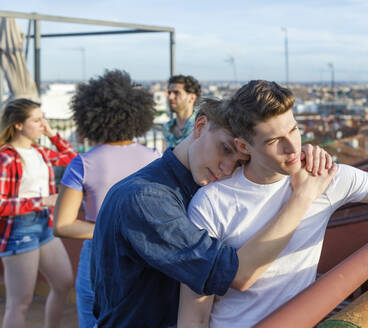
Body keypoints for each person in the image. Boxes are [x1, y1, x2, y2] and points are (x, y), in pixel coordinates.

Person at [179, 80, 368, 328]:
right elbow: (195, 310)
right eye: (274, 141)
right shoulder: (212, 203)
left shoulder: (325, 177)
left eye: (293, 130)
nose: (292, 148)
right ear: (244, 147)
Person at [91, 95, 337, 327]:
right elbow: (232, 274)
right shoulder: (147, 198)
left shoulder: (196, 189)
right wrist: (303, 196)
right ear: (200, 126)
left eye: (240, 162)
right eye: (226, 149)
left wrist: (299, 158)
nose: (228, 169)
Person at [52, 70, 161, 328]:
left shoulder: (83, 163)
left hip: (98, 256)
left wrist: (108, 230)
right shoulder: (156, 158)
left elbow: (63, 225)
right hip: (146, 255)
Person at [0, 98, 77, 328]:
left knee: (63, 283)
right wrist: (41, 201)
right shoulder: (6, 157)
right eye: (37, 120)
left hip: (45, 224)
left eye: (43, 119)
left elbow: (73, 159)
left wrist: (53, 135)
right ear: (18, 125)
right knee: (20, 302)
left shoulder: (39, 151)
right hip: (19, 229)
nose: (43, 125)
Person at [163, 74, 201, 148]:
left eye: (176, 93)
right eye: (169, 93)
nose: (170, 97)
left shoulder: (201, 127)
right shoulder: (167, 128)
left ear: (192, 98)